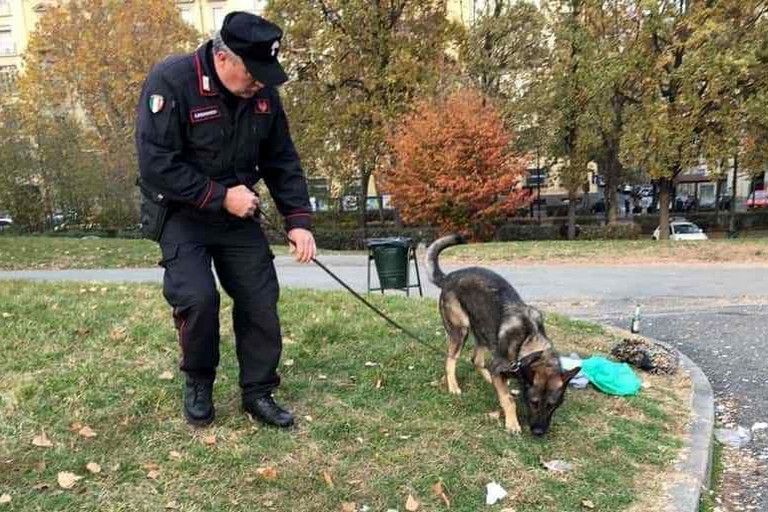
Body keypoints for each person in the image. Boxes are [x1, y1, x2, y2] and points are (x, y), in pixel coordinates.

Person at [135, 11, 316, 429]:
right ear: (223, 58)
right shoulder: (172, 81)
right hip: (181, 212)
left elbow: (281, 159)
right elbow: (155, 164)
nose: (259, 83)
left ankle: (258, 391)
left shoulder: (264, 94)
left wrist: (298, 219)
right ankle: (198, 380)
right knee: (198, 299)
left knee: (260, 298)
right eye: (253, 73)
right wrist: (219, 197)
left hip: (238, 211)